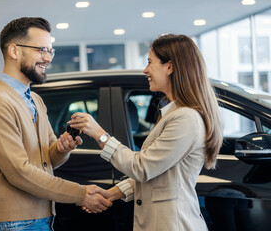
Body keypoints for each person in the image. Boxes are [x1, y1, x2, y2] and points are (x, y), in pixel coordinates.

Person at [69, 34, 223, 231]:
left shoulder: (186, 118)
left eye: (150, 62)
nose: (145, 69)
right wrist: (113, 193)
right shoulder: (174, 113)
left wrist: (100, 135)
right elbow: (159, 173)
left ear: (170, 67)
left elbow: (143, 168)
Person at [0, 17, 111, 231]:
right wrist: (80, 194)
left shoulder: (34, 100)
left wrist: (61, 149)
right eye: (41, 50)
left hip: (41, 218)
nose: (47, 58)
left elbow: (47, 160)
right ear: (14, 51)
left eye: (50, 51)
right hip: (14, 224)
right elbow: (19, 172)